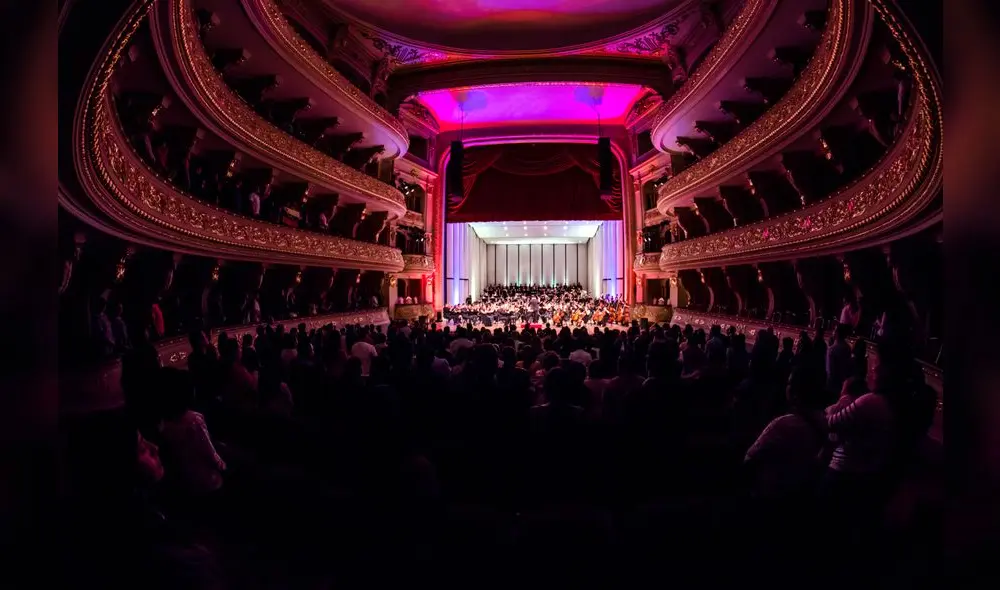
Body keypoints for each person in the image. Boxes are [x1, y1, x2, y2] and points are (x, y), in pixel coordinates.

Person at [744, 366, 827, 500]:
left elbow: (750, 457)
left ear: (795, 392)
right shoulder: (825, 421)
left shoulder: (782, 424)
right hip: (804, 494)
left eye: (789, 383)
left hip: (773, 495)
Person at [157, 368, 226, 497]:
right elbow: (209, 451)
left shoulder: (162, 424)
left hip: (185, 481)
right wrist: (223, 466)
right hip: (208, 479)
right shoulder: (195, 420)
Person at [826, 323, 853, 394]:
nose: (833, 332)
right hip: (843, 383)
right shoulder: (848, 348)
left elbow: (830, 370)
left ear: (837, 333)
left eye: (834, 330)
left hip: (832, 384)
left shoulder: (832, 349)